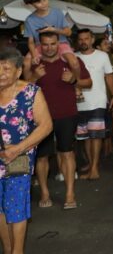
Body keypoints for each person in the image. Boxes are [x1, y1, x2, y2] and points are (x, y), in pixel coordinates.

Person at [24, 32, 91, 210]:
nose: (49, 48)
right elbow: (21, 87)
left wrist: (74, 80)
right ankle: (45, 193)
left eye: (53, 44)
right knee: (42, 157)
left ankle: (70, 193)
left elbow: (89, 82)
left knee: (67, 153)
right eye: (45, 44)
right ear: (40, 44)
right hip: (40, 117)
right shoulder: (34, 63)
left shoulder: (71, 61)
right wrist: (33, 78)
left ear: (58, 43)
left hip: (66, 114)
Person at [0, 48, 53, 254]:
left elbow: (46, 125)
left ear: (18, 70)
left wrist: (18, 149)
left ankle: (17, 252)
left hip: (19, 158)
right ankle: (7, 248)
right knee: (0, 207)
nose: (1, 73)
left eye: (6, 69)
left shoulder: (31, 93)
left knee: (15, 206)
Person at [75, 29, 113, 179]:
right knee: (85, 137)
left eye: (86, 38)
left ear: (92, 40)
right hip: (80, 103)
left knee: (96, 136)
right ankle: (91, 166)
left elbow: (109, 76)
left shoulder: (102, 56)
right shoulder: (73, 57)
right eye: (80, 39)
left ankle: (94, 168)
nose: (83, 42)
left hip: (98, 101)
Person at [21, 0, 81, 81]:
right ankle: (28, 88)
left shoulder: (57, 13)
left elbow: (68, 32)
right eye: (39, 2)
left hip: (61, 42)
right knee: (26, 63)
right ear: (31, 4)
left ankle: (77, 85)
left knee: (74, 63)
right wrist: (34, 54)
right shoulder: (30, 20)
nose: (44, 3)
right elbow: (31, 42)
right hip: (39, 45)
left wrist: (53, 29)